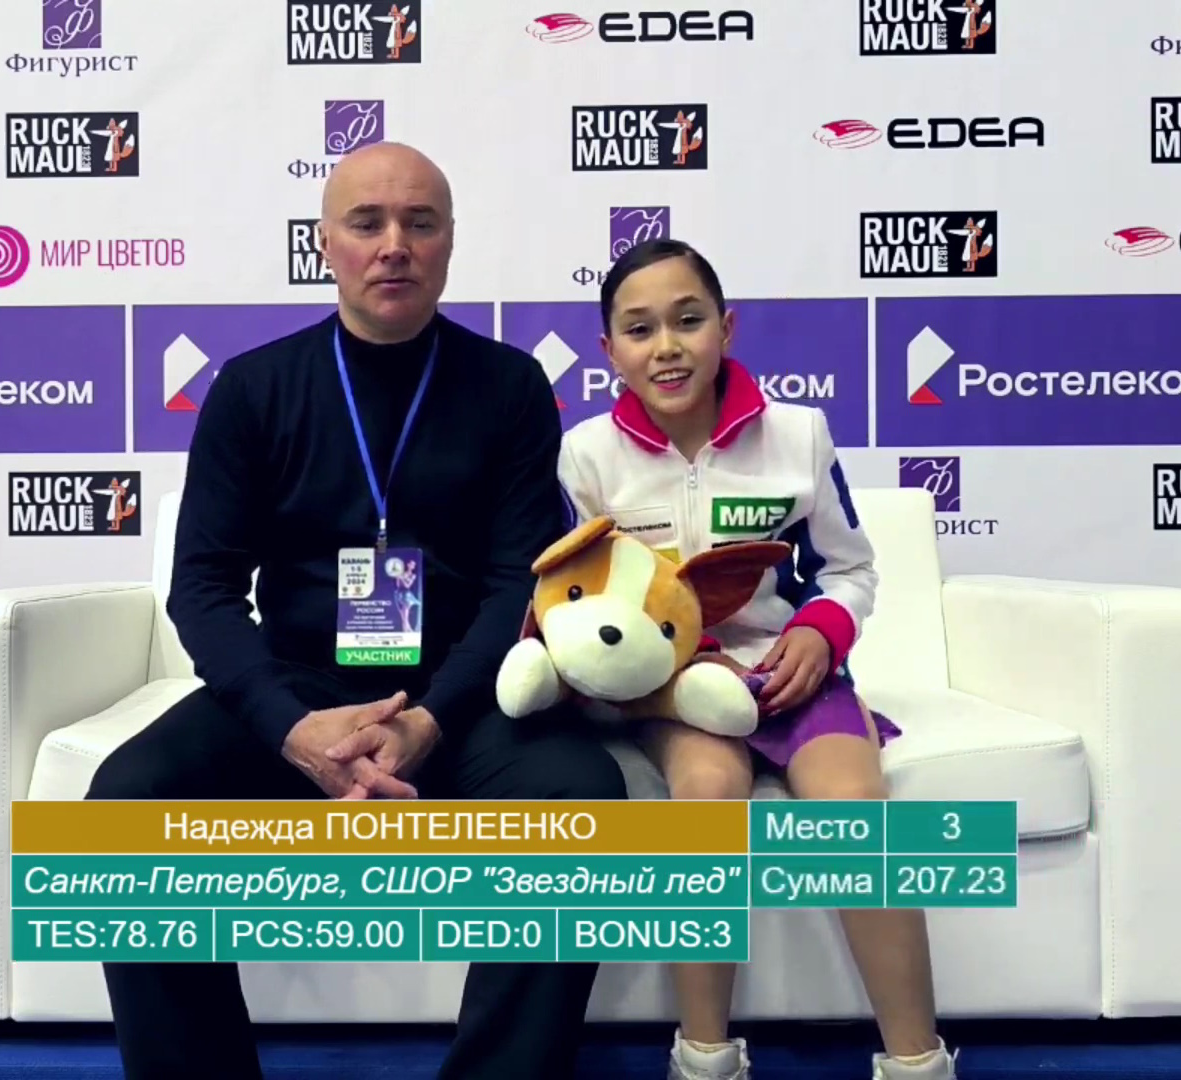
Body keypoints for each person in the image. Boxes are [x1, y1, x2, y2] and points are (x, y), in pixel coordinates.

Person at [85, 141, 629, 1080]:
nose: (394, 245)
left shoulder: (508, 387)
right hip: (298, 690)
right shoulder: (254, 387)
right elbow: (203, 587)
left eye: (420, 223)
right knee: (126, 803)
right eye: (367, 223)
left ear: (450, 242)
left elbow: (520, 584)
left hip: (464, 697)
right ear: (324, 243)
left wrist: (427, 720)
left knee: (579, 798)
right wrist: (289, 726)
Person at [555, 238, 956, 1080]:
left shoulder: (798, 435)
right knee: (705, 794)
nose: (667, 347)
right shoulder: (587, 455)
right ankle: (705, 1057)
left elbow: (850, 570)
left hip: (795, 677)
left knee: (856, 811)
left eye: (688, 320)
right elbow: (579, 601)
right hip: (677, 690)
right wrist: (678, 670)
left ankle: (917, 1062)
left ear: (727, 328)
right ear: (609, 351)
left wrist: (820, 634)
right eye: (640, 330)